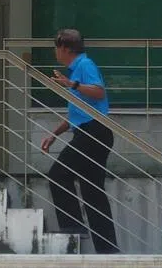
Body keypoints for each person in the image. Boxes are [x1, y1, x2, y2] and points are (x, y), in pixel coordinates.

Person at [41, 28, 120, 254]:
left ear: (65, 48)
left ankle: (72, 227)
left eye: (57, 48)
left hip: (94, 133)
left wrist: (71, 85)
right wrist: (55, 134)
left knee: (59, 174)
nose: (56, 53)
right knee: (92, 191)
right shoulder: (76, 71)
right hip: (89, 130)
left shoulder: (84, 66)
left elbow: (98, 93)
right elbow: (80, 112)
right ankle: (108, 250)